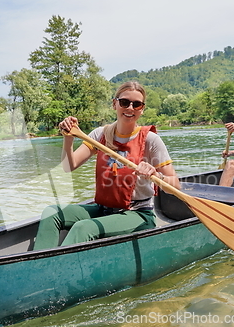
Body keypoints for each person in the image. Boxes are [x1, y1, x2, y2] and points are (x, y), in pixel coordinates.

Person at [32, 81, 180, 250]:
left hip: (137, 213)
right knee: (52, 213)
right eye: (124, 102)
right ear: (114, 104)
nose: (130, 108)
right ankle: (38, 265)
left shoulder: (151, 140)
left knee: (84, 227)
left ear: (142, 109)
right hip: (103, 209)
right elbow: (68, 166)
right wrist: (68, 138)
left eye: (137, 104)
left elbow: (175, 185)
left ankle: (51, 270)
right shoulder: (99, 135)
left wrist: (156, 175)